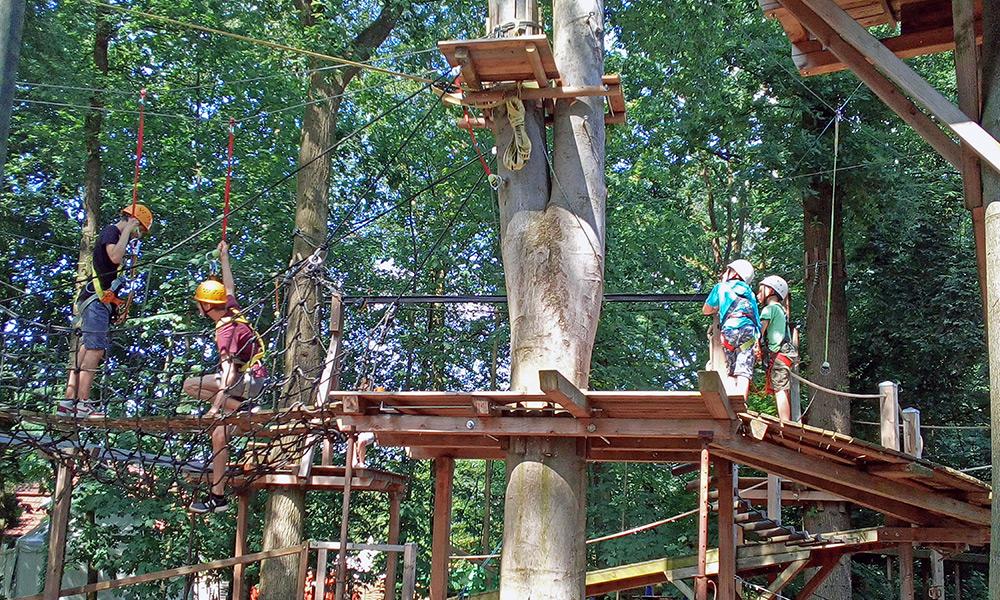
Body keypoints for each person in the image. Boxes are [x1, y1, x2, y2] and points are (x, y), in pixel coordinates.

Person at [183, 240, 266, 514]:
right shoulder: (231, 309)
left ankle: (239, 408)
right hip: (252, 380)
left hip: (246, 382)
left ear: (207, 307)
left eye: (199, 304)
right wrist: (224, 257)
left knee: (191, 385)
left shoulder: (224, 329)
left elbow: (229, 372)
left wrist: (216, 406)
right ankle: (217, 497)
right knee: (219, 435)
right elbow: (229, 287)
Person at [59, 204, 153, 417]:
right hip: (95, 302)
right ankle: (82, 402)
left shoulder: (115, 234)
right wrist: (128, 230)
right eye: (140, 231)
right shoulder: (112, 231)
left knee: (85, 349)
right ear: (134, 221)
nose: (138, 237)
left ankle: (68, 401)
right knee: (95, 349)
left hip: (97, 302)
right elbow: (115, 257)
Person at [702, 259, 760, 398]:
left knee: (731, 368)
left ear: (733, 272)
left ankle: (732, 400)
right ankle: (741, 401)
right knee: (744, 368)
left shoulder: (721, 287)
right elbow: (756, 318)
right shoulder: (750, 293)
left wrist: (718, 307)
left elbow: (706, 309)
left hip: (729, 330)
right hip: (748, 331)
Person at [757, 275, 798, 421]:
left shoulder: (769, 309)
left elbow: (759, 332)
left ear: (770, 290)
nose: (757, 294)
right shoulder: (781, 310)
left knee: (779, 389)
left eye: (760, 290)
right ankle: (785, 421)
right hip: (785, 354)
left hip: (779, 354)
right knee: (782, 388)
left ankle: (785, 423)